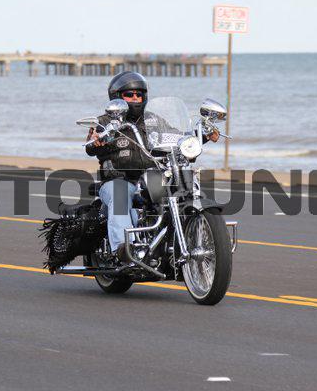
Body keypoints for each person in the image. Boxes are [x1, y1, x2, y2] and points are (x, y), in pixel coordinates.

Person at [86, 71, 219, 262]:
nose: (135, 98)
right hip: (119, 180)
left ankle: (175, 243)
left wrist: (201, 136)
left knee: (180, 189)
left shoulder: (153, 120)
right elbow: (91, 145)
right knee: (120, 193)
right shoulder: (106, 122)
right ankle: (124, 250)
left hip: (151, 176)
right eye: (129, 94)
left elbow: (177, 137)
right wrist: (96, 140)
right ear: (117, 97)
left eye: (139, 94)